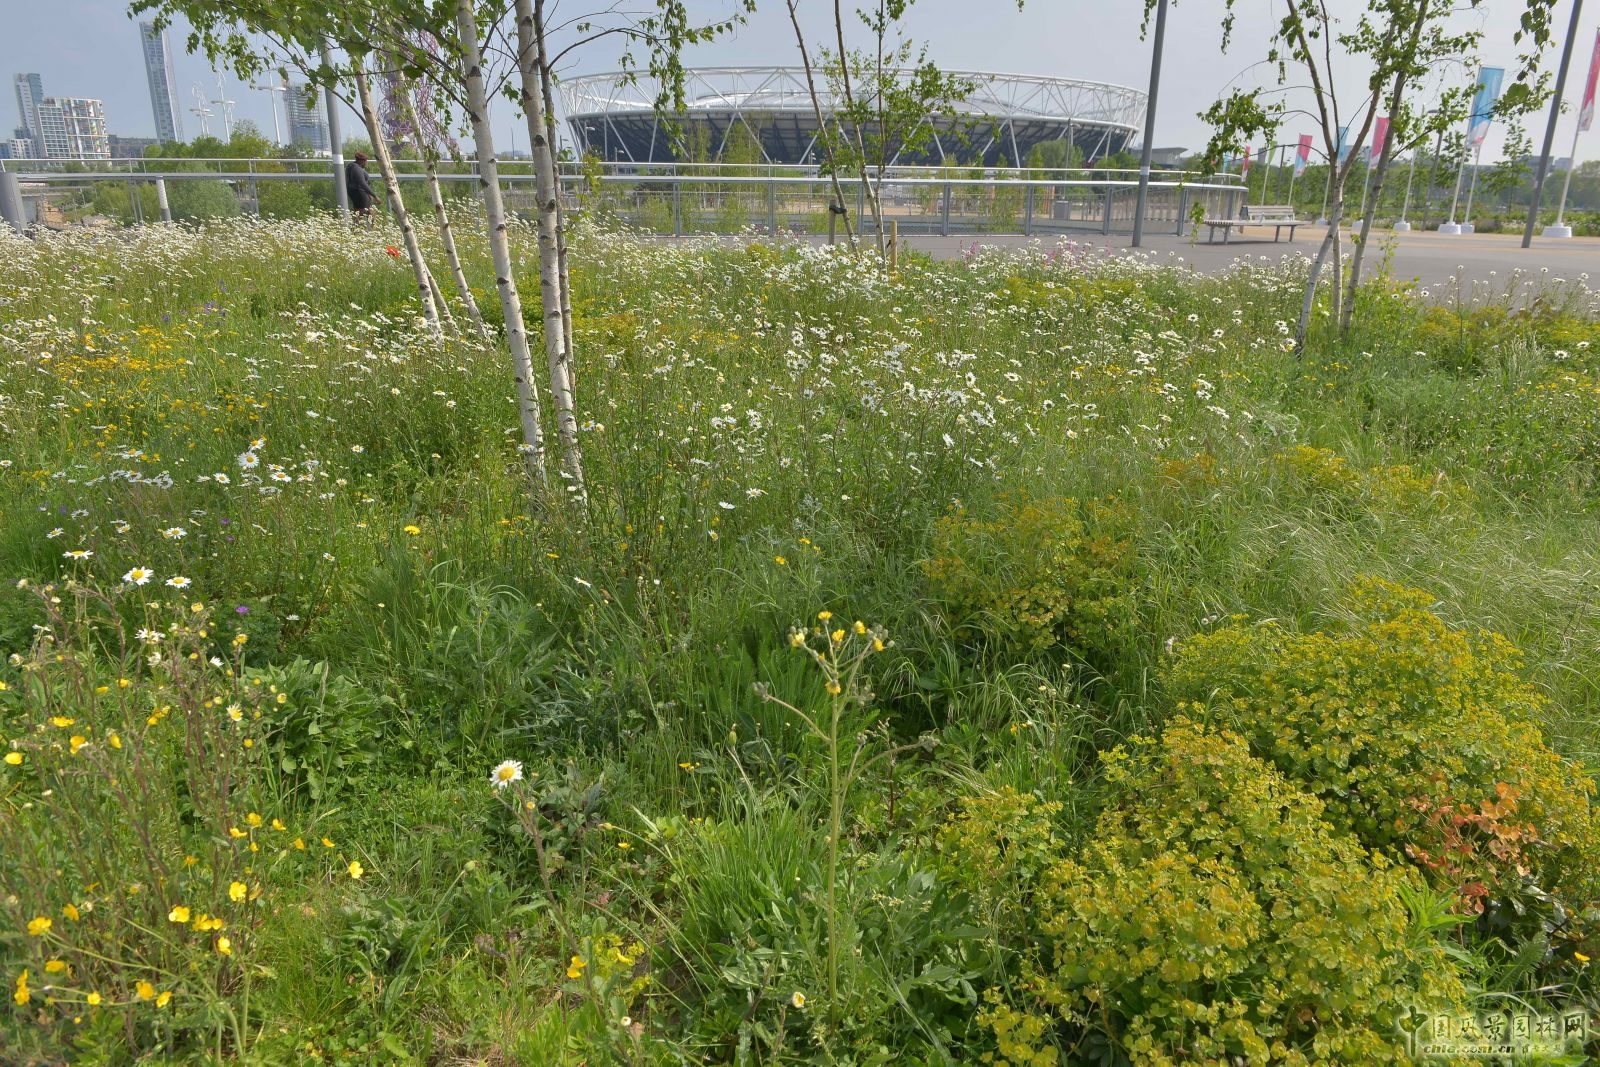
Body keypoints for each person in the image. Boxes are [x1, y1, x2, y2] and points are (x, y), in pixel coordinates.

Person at [345, 151, 377, 225]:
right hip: (359, 193)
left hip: (358, 192)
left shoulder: (352, 166)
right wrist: (374, 195)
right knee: (361, 212)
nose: (366, 163)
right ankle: (356, 230)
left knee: (369, 212)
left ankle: (371, 230)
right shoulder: (356, 169)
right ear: (361, 161)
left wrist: (369, 194)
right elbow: (362, 183)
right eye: (366, 161)